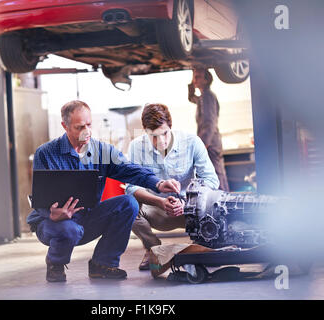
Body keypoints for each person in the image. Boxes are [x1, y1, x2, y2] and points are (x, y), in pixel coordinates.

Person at [26, 100, 180, 282]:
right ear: (64, 126)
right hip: (54, 224)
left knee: (129, 203)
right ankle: (55, 264)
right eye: (79, 127)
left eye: (89, 124)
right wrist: (52, 214)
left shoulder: (101, 150)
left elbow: (130, 169)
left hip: (88, 218)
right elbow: (41, 195)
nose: (87, 131)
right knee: (69, 229)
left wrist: (158, 183)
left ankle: (103, 263)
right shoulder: (45, 153)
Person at [126, 103, 219, 270]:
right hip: (157, 210)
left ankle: (200, 246)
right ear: (145, 131)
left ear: (171, 126)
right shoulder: (135, 147)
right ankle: (153, 249)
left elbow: (212, 180)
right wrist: (159, 202)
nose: (160, 141)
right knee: (127, 205)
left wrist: (188, 203)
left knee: (217, 203)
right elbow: (131, 187)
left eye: (164, 133)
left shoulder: (192, 142)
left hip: (191, 210)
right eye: (153, 136)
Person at [188, 67, 230, 191]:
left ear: (206, 80)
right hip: (211, 141)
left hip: (210, 142)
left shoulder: (207, 96)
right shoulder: (203, 97)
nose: (195, 80)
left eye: (198, 77)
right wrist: (192, 80)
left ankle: (223, 201)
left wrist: (203, 144)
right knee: (215, 173)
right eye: (194, 77)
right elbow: (191, 98)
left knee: (216, 174)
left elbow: (209, 122)